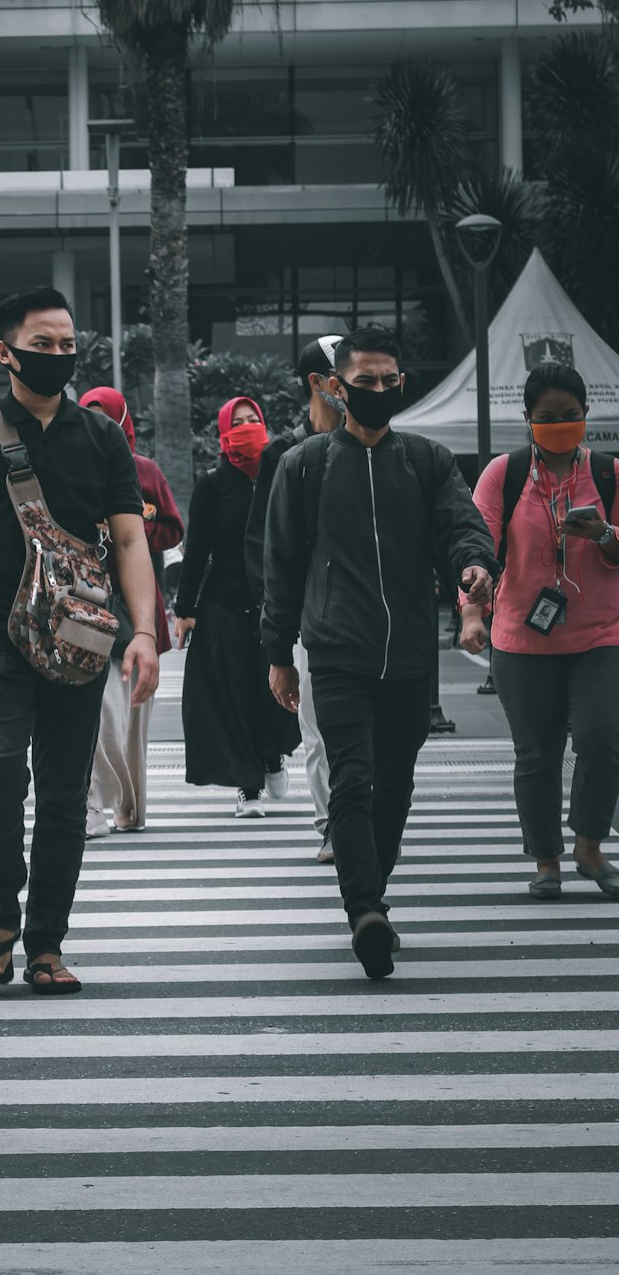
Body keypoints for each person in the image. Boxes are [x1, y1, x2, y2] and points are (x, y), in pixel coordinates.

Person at [0, 287, 159, 995]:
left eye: (65, 344)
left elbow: (132, 541)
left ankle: (46, 943)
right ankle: (0, 918)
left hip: (81, 640)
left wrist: (142, 633)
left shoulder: (101, 437)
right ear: (5, 351)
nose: (56, 356)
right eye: (41, 344)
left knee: (63, 793)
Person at [262, 328, 497, 979]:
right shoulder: (304, 464)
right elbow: (279, 565)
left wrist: (475, 565)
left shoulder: (425, 460)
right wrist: (278, 652)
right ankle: (364, 908)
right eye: (364, 382)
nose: (377, 392)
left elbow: (461, 528)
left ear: (401, 386)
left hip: (411, 657)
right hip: (336, 651)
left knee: (395, 787)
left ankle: (373, 893)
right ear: (338, 388)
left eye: (388, 382)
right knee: (353, 781)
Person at [460, 362, 619, 901]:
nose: (559, 424)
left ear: (585, 415)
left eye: (570, 416)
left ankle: (590, 846)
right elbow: (475, 549)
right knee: (538, 753)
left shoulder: (609, 474)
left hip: (602, 634)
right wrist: (472, 609)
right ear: (527, 417)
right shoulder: (503, 473)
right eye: (547, 417)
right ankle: (546, 860)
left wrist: (604, 534)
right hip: (522, 640)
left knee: (601, 737)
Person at [245, 334, 344, 861]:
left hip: (369, 616)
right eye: (346, 372)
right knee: (318, 730)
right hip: (309, 618)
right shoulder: (284, 453)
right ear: (318, 382)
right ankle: (333, 822)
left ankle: (366, 815)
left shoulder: (376, 445)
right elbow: (263, 543)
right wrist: (276, 629)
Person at [175, 396, 297, 818]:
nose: (247, 428)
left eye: (254, 420)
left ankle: (271, 755)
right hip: (223, 605)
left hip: (273, 605)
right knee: (235, 696)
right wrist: (184, 609)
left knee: (277, 690)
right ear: (224, 432)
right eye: (238, 422)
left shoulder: (282, 472)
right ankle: (248, 786)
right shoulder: (213, 484)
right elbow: (197, 550)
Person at [79, 386, 183, 837]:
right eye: (89, 417)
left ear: (124, 423)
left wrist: (133, 527)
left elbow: (172, 529)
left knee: (134, 722)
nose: (99, 427)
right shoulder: (68, 468)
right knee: (98, 716)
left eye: (107, 418)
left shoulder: (144, 470)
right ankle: (93, 803)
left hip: (138, 613)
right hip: (82, 608)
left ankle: (130, 807)